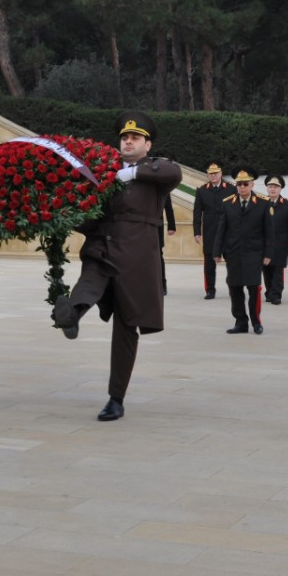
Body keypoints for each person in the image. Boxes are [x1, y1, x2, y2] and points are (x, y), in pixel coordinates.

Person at [51, 111, 182, 422]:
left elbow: (173, 172)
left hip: (136, 257)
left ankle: (116, 398)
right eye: (124, 137)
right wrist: (63, 217)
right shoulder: (104, 172)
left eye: (135, 137)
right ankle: (72, 314)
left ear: (148, 145)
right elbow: (91, 212)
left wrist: (134, 174)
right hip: (103, 244)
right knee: (91, 279)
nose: (128, 140)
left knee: (126, 327)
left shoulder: (154, 172)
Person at [213, 167, 274, 334]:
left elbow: (269, 231)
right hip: (233, 253)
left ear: (252, 184)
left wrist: (268, 254)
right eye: (239, 184)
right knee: (235, 288)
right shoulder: (228, 203)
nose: (242, 187)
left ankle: (256, 322)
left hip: (254, 253)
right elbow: (221, 230)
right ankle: (241, 322)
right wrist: (217, 252)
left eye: (245, 184)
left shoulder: (263, 203)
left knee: (254, 288)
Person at [192, 161, 232, 299]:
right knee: (209, 264)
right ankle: (210, 290)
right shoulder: (202, 190)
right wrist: (197, 232)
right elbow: (197, 212)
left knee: (231, 262)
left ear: (221, 173)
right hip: (209, 232)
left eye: (216, 173)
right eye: (211, 173)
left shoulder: (231, 189)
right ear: (208, 175)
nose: (213, 176)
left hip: (228, 232)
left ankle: (234, 287)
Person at [262, 174, 288, 304]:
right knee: (266, 270)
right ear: (267, 188)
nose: (272, 189)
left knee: (277, 270)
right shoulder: (261, 203)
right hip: (265, 244)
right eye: (270, 187)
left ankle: (276, 295)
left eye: (275, 187)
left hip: (280, 244)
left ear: (280, 189)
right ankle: (269, 292)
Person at [159, 195, 176, 295]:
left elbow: (168, 206)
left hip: (156, 225)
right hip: (141, 227)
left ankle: (162, 284)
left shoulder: (162, 185)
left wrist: (171, 225)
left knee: (158, 256)